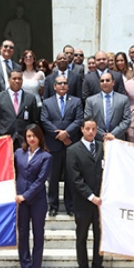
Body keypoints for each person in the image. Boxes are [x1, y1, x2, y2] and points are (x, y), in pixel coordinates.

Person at [66, 117, 107, 268]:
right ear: (82, 129)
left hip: (101, 203)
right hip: (83, 202)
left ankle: (98, 267)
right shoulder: (73, 150)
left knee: (100, 236)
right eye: (88, 129)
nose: (91, 132)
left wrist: (102, 195)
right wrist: (91, 197)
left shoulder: (102, 148)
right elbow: (75, 179)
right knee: (82, 236)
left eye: (94, 129)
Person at [40, 75, 83, 217]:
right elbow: (44, 120)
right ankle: (53, 206)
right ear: (54, 86)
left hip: (71, 143)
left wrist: (67, 133)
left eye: (65, 83)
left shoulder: (76, 101)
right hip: (54, 144)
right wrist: (59, 135)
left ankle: (70, 206)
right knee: (53, 177)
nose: (63, 85)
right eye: (60, 83)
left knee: (70, 176)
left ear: (68, 86)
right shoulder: (47, 102)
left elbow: (79, 120)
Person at [14, 124, 52, 268]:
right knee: (22, 234)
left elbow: (40, 180)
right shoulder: (18, 153)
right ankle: (25, 266)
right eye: (28, 136)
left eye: (34, 136)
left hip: (37, 201)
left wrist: (25, 195)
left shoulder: (46, 157)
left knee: (38, 234)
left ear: (39, 137)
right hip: (20, 200)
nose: (31, 139)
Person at [0, 70, 39, 151]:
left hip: (24, 141)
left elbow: (34, 122)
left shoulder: (30, 98)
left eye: (19, 79)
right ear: (9, 80)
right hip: (4, 141)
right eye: (14, 78)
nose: (17, 81)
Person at [84, 72, 131, 141]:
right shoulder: (90, 101)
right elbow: (88, 119)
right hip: (98, 140)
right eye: (102, 81)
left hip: (117, 139)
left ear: (113, 82)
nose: (104, 83)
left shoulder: (123, 99)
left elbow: (127, 120)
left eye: (107, 80)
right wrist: (103, 135)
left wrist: (113, 134)